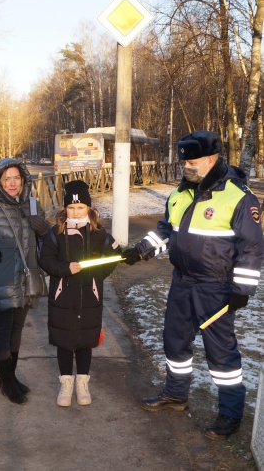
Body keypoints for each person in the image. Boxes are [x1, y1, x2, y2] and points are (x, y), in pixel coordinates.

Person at [122, 130, 264, 440]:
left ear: (212, 159)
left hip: (216, 288)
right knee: (174, 342)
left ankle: (230, 414)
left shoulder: (239, 197)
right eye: (184, 159)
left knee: (221, 355)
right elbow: (166, 233)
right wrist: (141, 249)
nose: (186, 164)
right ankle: (176, 395)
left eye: (193, 160)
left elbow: (251, 249)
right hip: (182, 283)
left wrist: (242, 290)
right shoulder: (179, 194)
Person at [0, 157, 49, 404]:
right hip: (1, 277)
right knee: (3, 331)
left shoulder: (33, 206)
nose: (13, 183)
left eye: (17, 178)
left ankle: (10, 378)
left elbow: (45, 248)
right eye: (7, 179)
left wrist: (45, 232)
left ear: (24, 179)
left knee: (17, 330)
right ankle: (6, 382)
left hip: (27, 278)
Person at [39, 180, 121, 407]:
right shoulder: (55, 233)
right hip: (62, 296)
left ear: (89, 209)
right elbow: (44, 260)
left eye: (80, 208)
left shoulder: (99, 234)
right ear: (65, 209)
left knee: (85, 340)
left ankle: (83, 382)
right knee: (64, 341)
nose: (75, 212)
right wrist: (65, 269)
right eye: (71, 208)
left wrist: (97, 276)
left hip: (89, 297)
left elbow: (115, 256)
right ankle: (66, 384)